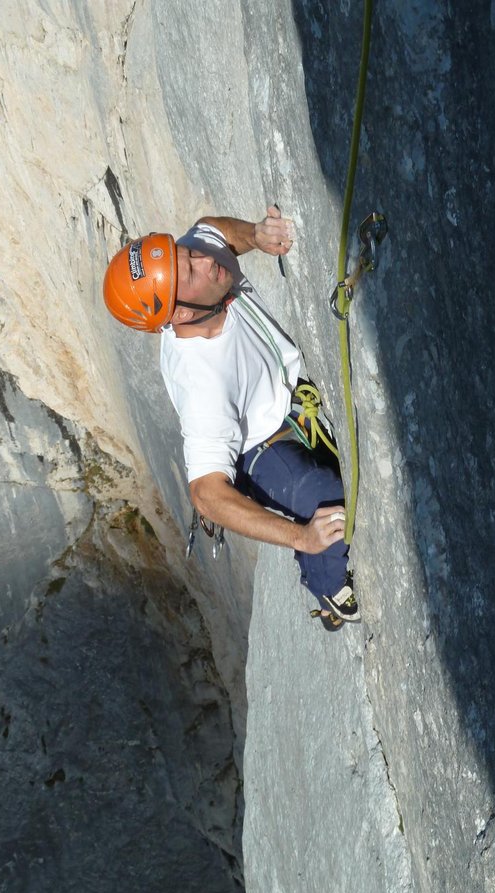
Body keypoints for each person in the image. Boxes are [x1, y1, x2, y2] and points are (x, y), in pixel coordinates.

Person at [103, 206, 360, 631]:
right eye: (191, 270)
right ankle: (328, 586)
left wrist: (255, 235)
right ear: (180, 314)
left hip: (282, 392)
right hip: (256, 445)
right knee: (324, 499)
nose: (206, 260)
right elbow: (206, 494)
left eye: (187, 253)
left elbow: (212, 230)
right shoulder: (201, 382)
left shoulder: (193, 267)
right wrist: (301, 536)